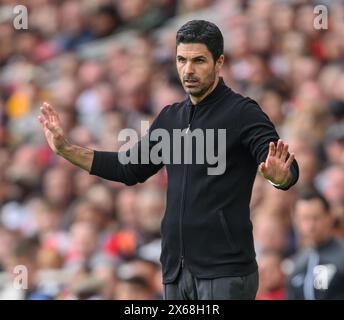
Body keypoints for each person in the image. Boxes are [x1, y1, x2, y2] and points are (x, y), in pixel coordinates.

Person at [38, 20, 299, 300]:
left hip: (225, 271)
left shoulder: (242, 112)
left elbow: (285, 167)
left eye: (198, 60)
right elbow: (129, 168)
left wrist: (279, 176)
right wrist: (66, 149)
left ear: (219, 62)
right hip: (176, 271)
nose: (188, 70)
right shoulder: (170, 117)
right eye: (181, 60)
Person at [286, 190, 344, 300]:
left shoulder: (342, 255)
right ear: (295, 220)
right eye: (305, 218)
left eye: (316, 218)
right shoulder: (296, 263)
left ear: (329, 217)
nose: (311, 226)